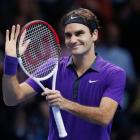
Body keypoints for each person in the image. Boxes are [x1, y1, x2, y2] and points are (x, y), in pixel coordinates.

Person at [2, 8, 126, 140]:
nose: (73, 40)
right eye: (68, 35)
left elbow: (104, 116)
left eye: (79, 33)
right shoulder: (52, 67)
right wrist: (10, 62)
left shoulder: (114, 74)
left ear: (94, 35)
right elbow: (12, 98)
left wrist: (65, 103)